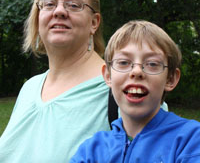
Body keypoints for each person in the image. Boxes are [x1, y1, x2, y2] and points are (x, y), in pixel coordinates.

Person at [0, 0, 110, 163]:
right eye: (49, 4)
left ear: (94, 22)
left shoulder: (121, 88)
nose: (59, 11)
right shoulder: (30, 88)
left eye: (73, 5)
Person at [70, 20, 200, 163]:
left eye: (152, 64)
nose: (136, 71)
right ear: (108, 76)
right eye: (124, 62)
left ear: (170, 79)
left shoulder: (190, 139)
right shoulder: (92, 150)